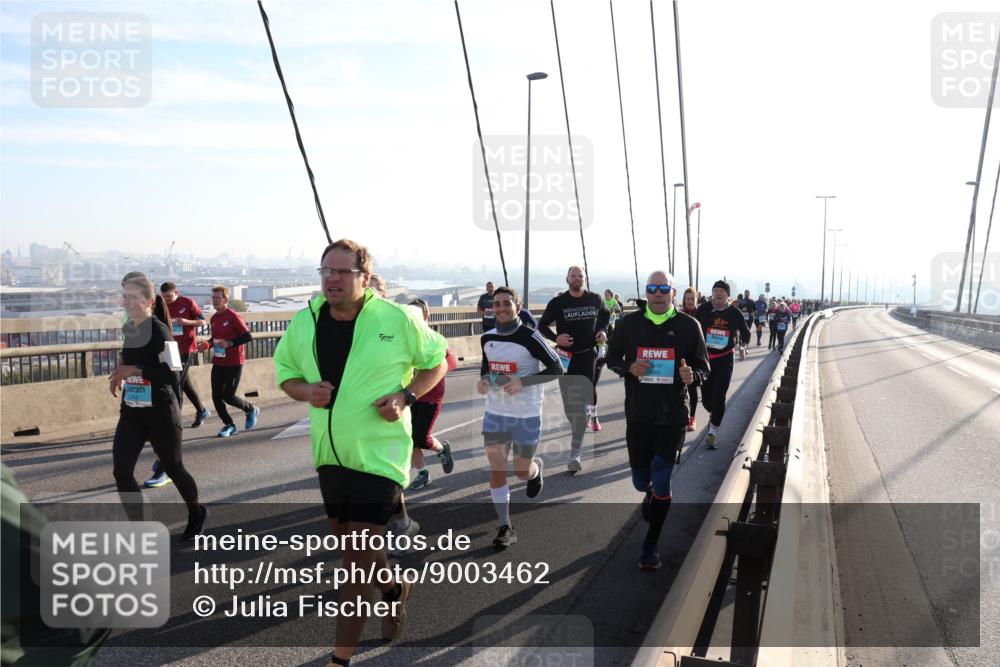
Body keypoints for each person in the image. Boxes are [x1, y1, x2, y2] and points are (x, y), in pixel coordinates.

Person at [273, 239, 449, 662]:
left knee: (354, 565)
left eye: (342, 272)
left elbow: (438, 359)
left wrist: (406, 396)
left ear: (364, 278)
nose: (332, 279)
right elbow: (285, 374)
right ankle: (393, 588)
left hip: (381, 458)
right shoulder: (305, 322)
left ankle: (339, 659)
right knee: (360, 555)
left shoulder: (396, 318)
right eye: (326, 271)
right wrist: (306, 391)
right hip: (330, 456)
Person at [605, 271, 710, 570]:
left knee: (662, 480)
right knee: (641, 481)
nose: (658, 293)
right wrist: (628, 368)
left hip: (672, 416)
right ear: (647, 293)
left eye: (664, 288)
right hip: (638, 415)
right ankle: (648, 492)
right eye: (653, 289)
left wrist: (694, 376)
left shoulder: (690, 326)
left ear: (674, 293)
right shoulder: (629, 324)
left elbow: (703, 366)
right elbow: (611, 358)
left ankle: (650, 544)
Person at [109, 275, 207, 539]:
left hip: (161, 411)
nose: (125, 301)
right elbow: (128, 357)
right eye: (124, 296)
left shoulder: (160, 330)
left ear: (149, 301)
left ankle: (197, 511)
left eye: (131, 297)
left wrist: (136, 369)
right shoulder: (130, 327)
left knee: (174, 468)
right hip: (133, 411)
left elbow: (172, 374)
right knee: (122, 471)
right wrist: (120, 372)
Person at [478, 286, 563, 548]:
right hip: (495, 413)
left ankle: (535, 471)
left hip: (526, 414)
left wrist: (522, 382)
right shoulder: (487, 337)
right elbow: (487, 368)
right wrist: (484, 380)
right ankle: (506, 525)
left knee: (520, 470)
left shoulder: (530, 337)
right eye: (497, 304)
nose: (501, 309)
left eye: (506, 303)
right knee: (497, 469)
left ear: (518, 306)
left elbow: (557, 368)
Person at [538, 266, 610, 468]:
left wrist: (603, 331)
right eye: (573, 276)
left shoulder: (595, 299)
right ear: (567, 279)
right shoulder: (558, 302)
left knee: (582, 401)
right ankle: (579, 423)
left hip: (588, 355)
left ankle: (575, 453)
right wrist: (556, 338)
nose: (577, 278)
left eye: (581, 276)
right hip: (566, 359)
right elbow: (542, 325)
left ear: (585, 279)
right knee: (571, 407)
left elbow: (605, 315)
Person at [406, 299, 456, 491]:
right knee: (409, 436)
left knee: (420, 437)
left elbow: (451, 363)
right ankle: (422, 473)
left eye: (420, 313)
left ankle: (442, 449)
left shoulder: (434, 339)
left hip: (431, 394)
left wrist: (428, 372)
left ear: (426, 316)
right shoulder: (405, 339)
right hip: (410, 393)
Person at [695, 280, 751, 450]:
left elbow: (746, 333)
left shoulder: (735, 313)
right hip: (705, 360)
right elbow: (693, 331)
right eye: (715, 291)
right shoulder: (703, 310)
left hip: (725, 359)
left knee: (719, 396)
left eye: (721, 291)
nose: (718, 294)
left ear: (728, 295)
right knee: (706, 399)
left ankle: (712, 432)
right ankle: (715, 413)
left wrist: (742, 347)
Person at [202, 285, 259, 437]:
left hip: (234, 362)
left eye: (217, 298)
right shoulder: (214, 318)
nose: (214, 301)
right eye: (213, 298)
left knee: (228, 396)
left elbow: (248, 336)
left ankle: (250, 409)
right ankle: (229, 425)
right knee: (216, 397)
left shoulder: (233, 316)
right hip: (219, 361)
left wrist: (230, 343)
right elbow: (215, 339)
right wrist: (207, 344)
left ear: (225, 299)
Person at [160, 282, 210, 427]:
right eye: (164, 297)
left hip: (185, 349)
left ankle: (174, 421)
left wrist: (186, 322)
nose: (167, 300)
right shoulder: (161, 305)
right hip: (169, 349)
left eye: (169, 296)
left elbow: (202, 322)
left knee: (177, 384)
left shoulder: (188, 303)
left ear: (176, 292)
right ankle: (201, 411)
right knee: (184, 383)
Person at [680, 288, 700, 436]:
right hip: (680, 356)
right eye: (687, 298)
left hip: (695, 356)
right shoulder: (678, 314)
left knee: (692, 388)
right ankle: (680, 417)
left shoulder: (701, 315)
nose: (690, 301)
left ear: (696, 299)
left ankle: (692, 419)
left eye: (692, 298)